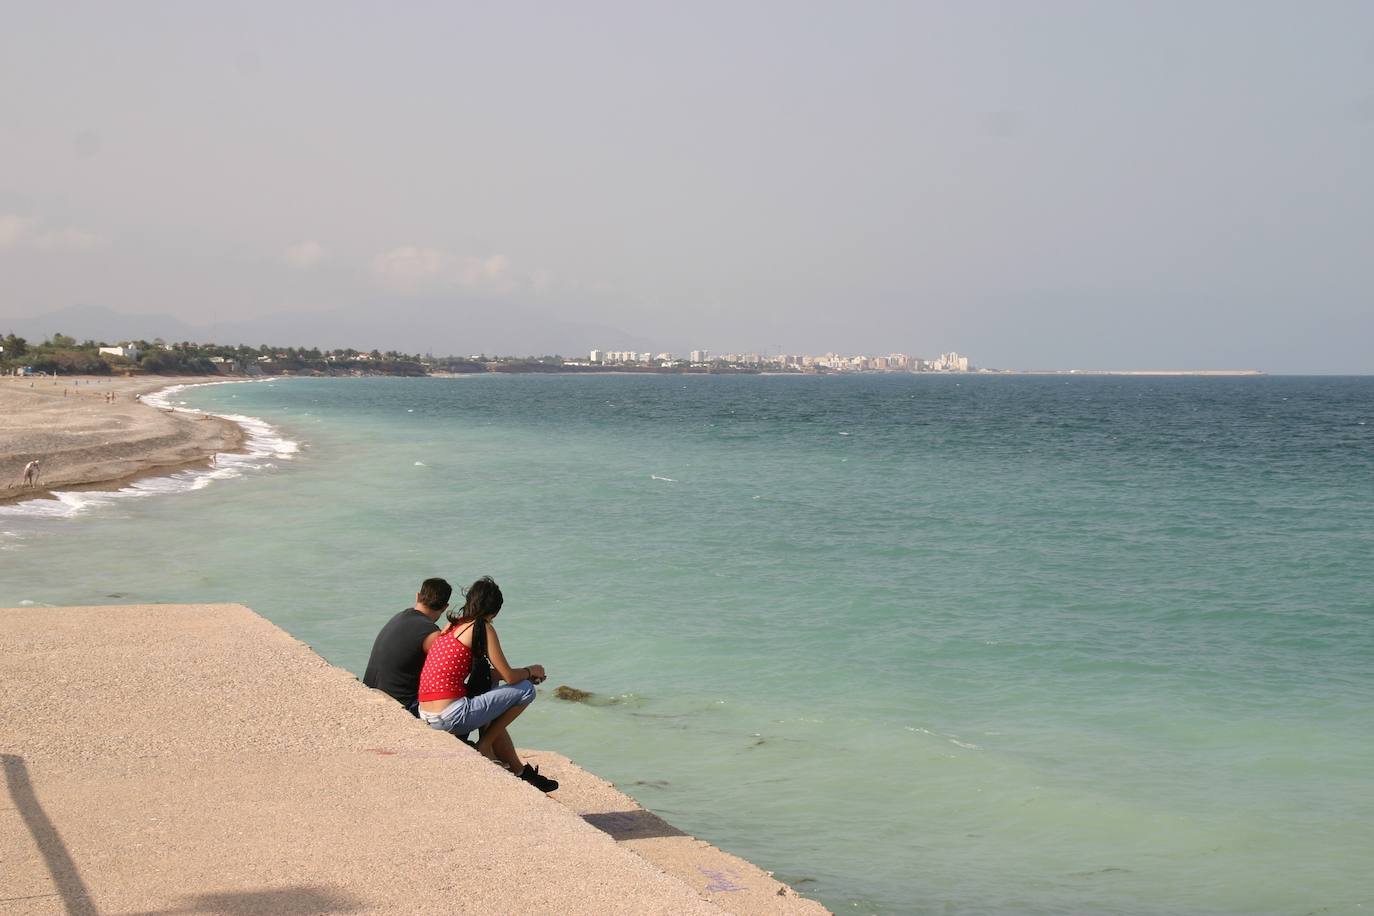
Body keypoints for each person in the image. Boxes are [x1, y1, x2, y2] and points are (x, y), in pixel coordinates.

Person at [416, 576, 557, 792]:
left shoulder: (452, 627)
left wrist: (508, 676)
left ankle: (519, 771)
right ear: (495, 611)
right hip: (449, 717)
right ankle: (485, 745)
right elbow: (509, 676)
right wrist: (531, 671)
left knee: (491, 690)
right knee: (526, 690)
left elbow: (492, 675)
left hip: (425, 713)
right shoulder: (482, 627)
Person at [362, 578, 451, 714]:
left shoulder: (398, 617)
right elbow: (447, 676)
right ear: (445, 607)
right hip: (400, 704)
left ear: (418, 596)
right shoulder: (431, 634)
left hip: (369, 693)